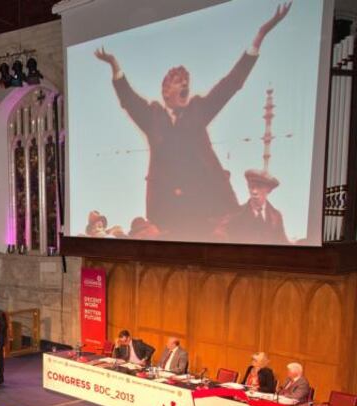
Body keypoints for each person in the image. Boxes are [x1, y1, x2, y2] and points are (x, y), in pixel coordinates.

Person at [93, 2, 292, 238]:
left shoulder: (199, 110)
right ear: (166, 92)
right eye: (179, 81)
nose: (186, 85)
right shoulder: (152, 117)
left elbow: (230, 85)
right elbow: (129, 99)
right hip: (169, 211)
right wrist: (114, 65)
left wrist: (260, 35)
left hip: (207, 205)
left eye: (187, 81)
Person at [216, 169, 288, 244]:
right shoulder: (236, 213)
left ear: (268, 190)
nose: (254, 191)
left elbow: (283, 242)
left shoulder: (276, 216)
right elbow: (220, 234)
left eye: (259, 187)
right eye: (251, 187)